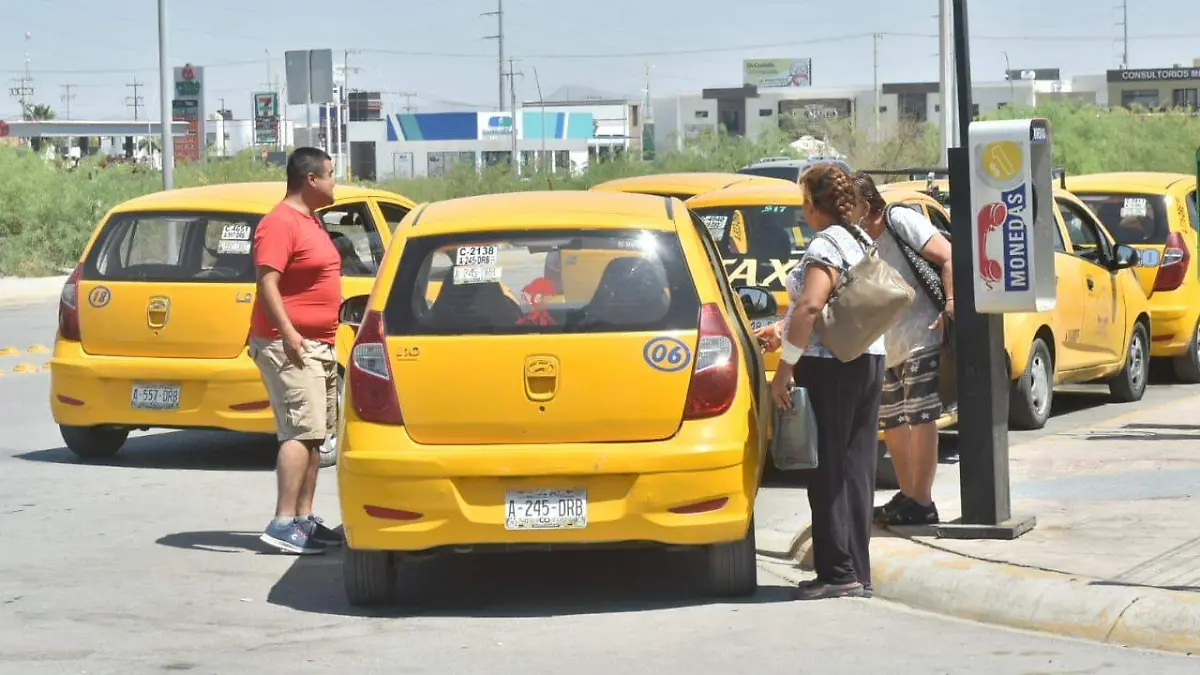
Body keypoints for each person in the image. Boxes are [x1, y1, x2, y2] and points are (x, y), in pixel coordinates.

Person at [762, 164, 885, 600]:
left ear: (814, 205)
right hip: (867, 358)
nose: (803, 211)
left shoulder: (825, 243)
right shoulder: (858, 238)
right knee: (855, 468)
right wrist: (782, 327)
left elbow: (813, 306)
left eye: (804, 203)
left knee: (828, 469)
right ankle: (855, 571)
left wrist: (785, 367)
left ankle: (838, 573)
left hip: (829, 366)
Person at [248, 147, 345, 555]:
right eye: (330, 175)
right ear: (311, 180)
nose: (334, 183)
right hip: (288, 344)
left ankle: (303, 520)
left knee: (315, 435)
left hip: (318, 345)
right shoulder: (279, 223)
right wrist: (288, 334)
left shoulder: (311, 221)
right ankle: (282, 521)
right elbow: (267, 282)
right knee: (299, 431)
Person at [850, 172, 953, 527]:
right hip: (885, 343)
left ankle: (923, 500)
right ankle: (909, 494)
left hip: (920, 332)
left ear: (866, 205)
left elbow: (947, 256)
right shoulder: (857, 240)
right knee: (893, 422)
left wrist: (950, 305)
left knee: (921, 416)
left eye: (850, 206)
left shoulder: (898, 219)